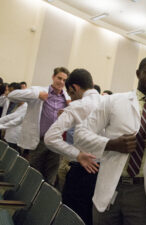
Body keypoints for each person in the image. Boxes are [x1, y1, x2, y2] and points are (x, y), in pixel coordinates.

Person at [74, 56, 146, 225]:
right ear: (138, 74)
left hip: (143, 192)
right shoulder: (113, 101)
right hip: (111, 186)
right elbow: (80, 133)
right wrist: (110, 144)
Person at [44, 68, 101, 225]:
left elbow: (50, 138)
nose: (73, 98)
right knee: (90, 217)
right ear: (92, 84)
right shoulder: (109, 103)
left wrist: (77, 154)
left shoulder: (78, 106)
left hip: (81, 169)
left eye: (72, 94)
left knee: (71, 216)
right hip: (104, 174)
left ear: (74, 88)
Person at [8, 67, 70, 185]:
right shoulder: (39, 91)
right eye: (59, 78)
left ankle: (44, 201)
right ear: (53, 77)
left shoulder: (67, 99)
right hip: (39, 142)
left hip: (56, 143)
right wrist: (36, 95)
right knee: (34, 175)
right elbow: (12, 95)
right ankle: (28, 200)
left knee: (50, 178)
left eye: (64, 80)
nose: (61, 82)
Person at [0, 83, 27, 153]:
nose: (8, 93)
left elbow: (12, 118)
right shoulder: (16, 104)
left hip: (14, 137)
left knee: (10, 156)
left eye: (10, 91)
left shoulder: (25, 106)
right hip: (8, 134)